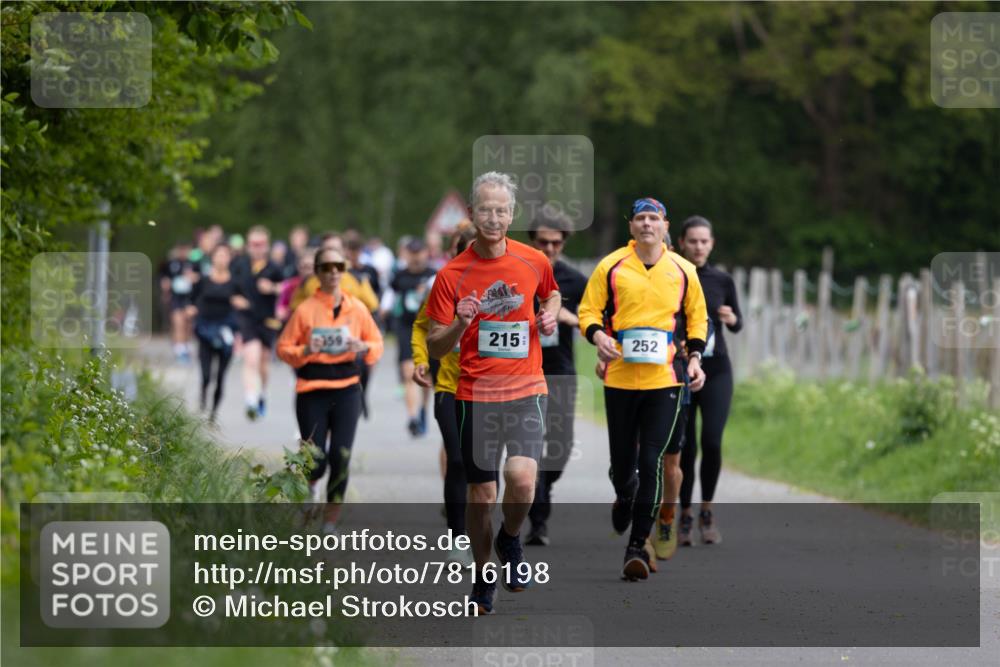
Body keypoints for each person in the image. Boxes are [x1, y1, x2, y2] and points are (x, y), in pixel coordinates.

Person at [426, 171, 560, 614]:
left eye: (502, 210)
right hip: (474, 395)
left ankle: (509, 538)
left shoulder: (533, 261)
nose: (494, 217)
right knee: (480, 495)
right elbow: (434, 344)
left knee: (522, 480)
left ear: (512, 214)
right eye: (485, 209)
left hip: (526, 389)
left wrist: (549, 317)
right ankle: (484, 577)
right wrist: (461, 324)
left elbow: (552, 296)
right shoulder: (452, 274)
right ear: (472, 212)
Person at [578, 197, 707, 581]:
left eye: (654, 218)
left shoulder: (683, 270)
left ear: (666, 226)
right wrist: (598, 335)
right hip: (619, 378)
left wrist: (696, 359)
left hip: (664, 380)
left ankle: (636, 545)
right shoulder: (611, 266)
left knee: (651, 459)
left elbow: (697, 319)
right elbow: (588, 311)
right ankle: (623, 492)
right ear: (630, 226)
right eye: (640, 218)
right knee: (623, 466)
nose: (647, 224)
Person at [277, 248, 384, 531]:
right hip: (312, 389)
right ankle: (311, 486)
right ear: (317, 272)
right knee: (316, 459)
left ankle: (331, 520)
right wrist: (306, 349)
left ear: (344, 270)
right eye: (327, 267)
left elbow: (376, 344)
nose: (333, 272)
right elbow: (284, 348)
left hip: (347, 389)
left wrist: (363, 348)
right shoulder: (305, 310)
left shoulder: (357, 308)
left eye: (339, 266)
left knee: (341, 455)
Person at [411, 221, 477, 565]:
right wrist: (421, 359)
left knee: (481, 467)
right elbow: (422, 325)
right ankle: (457, 538)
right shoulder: (443, 284)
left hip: (489, 389)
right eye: (461, 251)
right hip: (449, 387)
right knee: (457, 458)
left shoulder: (501, 285)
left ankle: (478, 526)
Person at [676, 215, 742, 546]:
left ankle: (707, 510)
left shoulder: (722, 279)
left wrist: (731, 318)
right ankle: (685, 513)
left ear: (711, 244)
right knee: (686, 445)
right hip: (682, 369)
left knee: (712, 441)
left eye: (705, 241)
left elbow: (738, 322)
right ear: (681, 243)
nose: (699, 247)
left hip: (716, 369)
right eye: (693, 241)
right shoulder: (673, 276)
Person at [524, 206, 588, 547]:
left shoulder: (576, 281)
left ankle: (544, 485)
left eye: (556, 243)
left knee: (560, 447)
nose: (549, 249)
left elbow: (596, 323)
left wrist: (568, 317)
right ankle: (537, 521)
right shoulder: (516, 274)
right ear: (532, 240)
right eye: (543, 242)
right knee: (529, 446)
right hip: (521, 372)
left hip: (560, 370)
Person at [231, 225, 286, 421]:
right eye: (253, 244)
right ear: (248, 245)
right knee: (250, 358)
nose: (257, 248)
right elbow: (230, 288)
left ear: (267, 245)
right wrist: (235, 299)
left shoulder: (275, 267)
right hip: (247, 318)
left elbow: (286, 289)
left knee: (263, 362)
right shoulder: (239, 265)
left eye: (261, 244)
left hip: (268, 319)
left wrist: (272, 287)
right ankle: (250, 400)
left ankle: (262, 393)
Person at [188, 244, 245, 423]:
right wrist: (190, 309)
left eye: (225, 255)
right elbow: (191, 301)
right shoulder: (203, 280)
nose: (221, 259)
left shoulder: (236, 282)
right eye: (218, 255)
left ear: (229, 259)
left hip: (226, 331)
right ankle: (203, 397)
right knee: (206, 374)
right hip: (205, 330)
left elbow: (247, 303)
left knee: (221, 376)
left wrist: (241, 303)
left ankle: (213, 413)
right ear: (213, 258)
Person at [390, 238, 437, 437]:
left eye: (419, 253)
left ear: (426, 253)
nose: (416, 257)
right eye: (412, 253)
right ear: (406, 254)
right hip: (406, 327)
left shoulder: (433, 275)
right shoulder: (399, 276)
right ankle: (412, 418)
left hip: (428, 328)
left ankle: (423, 410)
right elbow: (392, 298)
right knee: (409, 371)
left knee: (425, 375)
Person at [159, 242, 197, 363]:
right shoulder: (171, 263)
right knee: (178, 322)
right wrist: (165, 289)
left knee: (188, 324)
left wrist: (194, 278)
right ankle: (180, 349)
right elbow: (163, 276)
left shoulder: (193, 264)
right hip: (176, 297)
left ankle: (185, 345)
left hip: (189, 298)